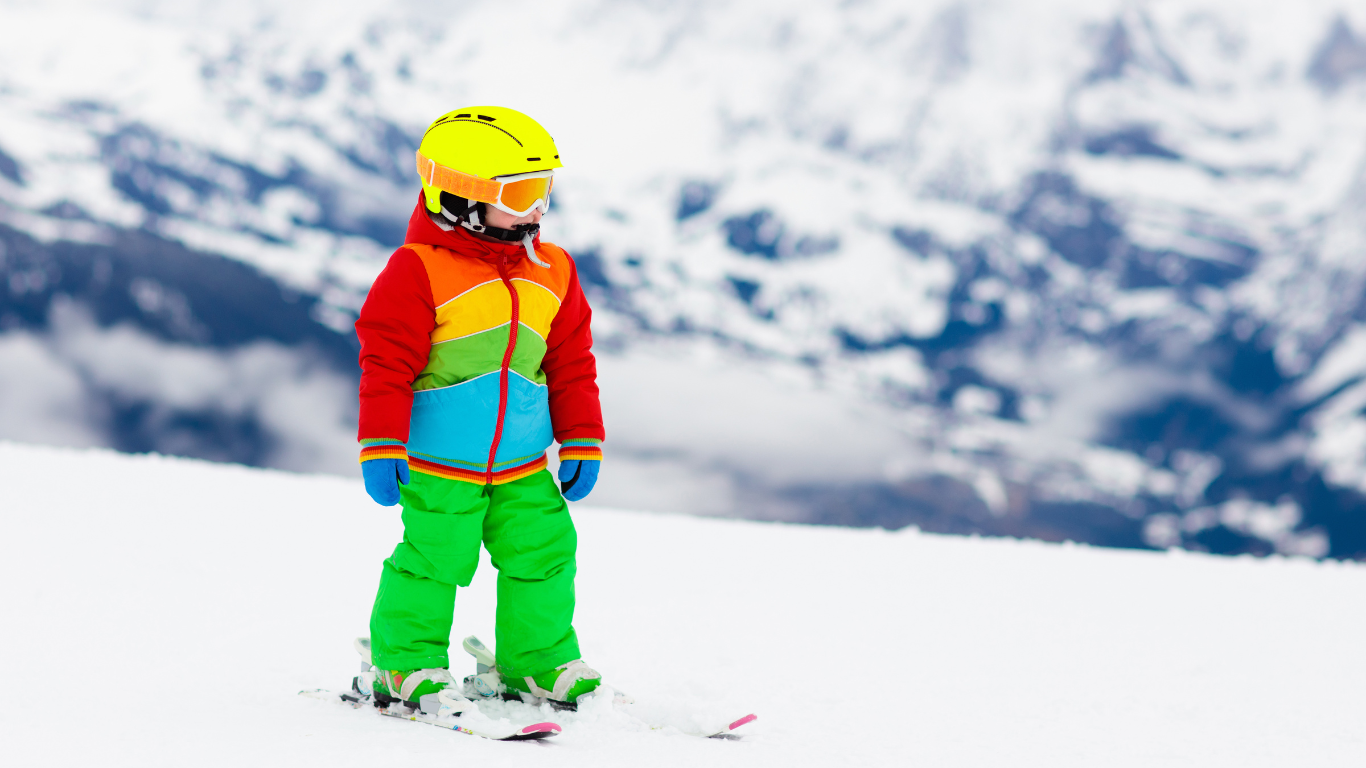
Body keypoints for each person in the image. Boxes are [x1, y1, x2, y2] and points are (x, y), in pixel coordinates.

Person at [353, 106, 605, 707]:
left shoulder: (555, 272)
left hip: (522, 464)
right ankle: (404, 663)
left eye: (542, 189)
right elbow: (386, 363)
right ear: (459, 198)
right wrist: (380, 443)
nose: (537, 208)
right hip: (439, 464)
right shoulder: (418, 272)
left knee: (545, 555)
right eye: (518, 193)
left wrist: (582, 438)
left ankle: (537, 662)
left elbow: (571, 363)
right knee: (434, 561)